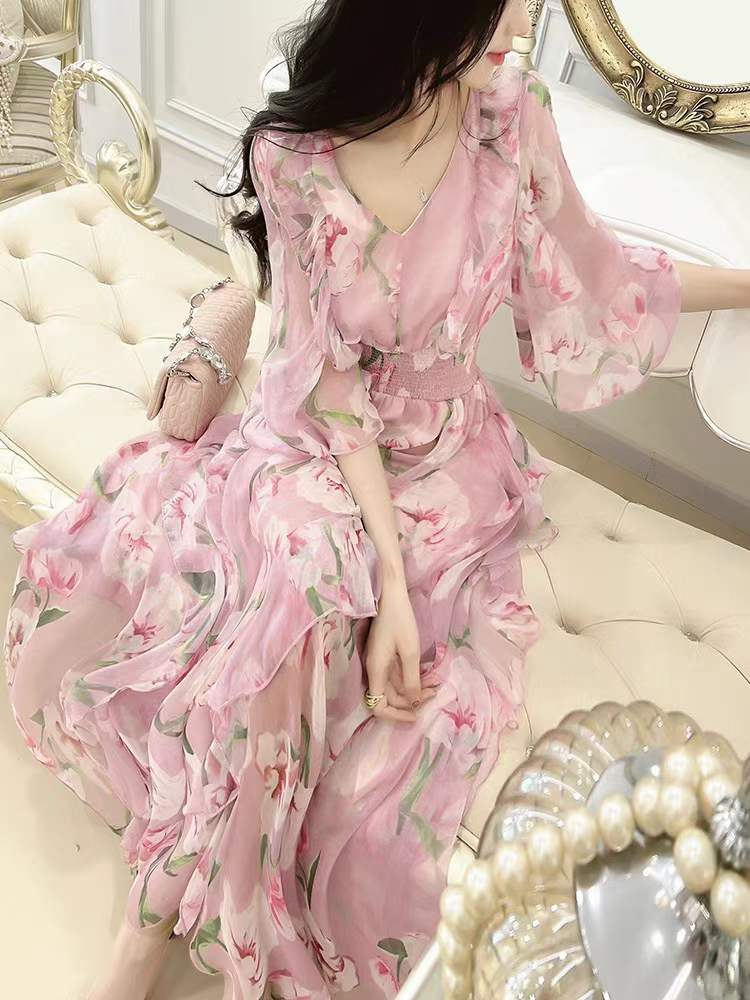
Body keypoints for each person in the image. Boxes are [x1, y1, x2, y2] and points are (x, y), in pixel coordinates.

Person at [4, 2, 748, 999]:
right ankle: (151, 930)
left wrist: (748, 283)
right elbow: (329, 381)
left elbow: (600, 275)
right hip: (316, 431)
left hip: (448, 462)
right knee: (302, 580)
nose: (525, 22)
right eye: (504, 2)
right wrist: (390, 582)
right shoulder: (295, 156)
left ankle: (156, 920)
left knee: (305, 609)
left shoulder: (511, 115)